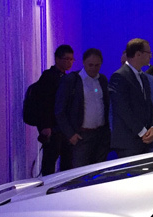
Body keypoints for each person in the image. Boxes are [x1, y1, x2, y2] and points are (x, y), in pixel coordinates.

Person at [54, 48, 110, 170]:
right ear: (83, 63)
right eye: (90, 65)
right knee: (80, 172)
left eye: (97, 65)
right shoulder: (72, 80)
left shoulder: (102, 80)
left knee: (99, 171)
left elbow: (106, 106)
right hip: (81, 136)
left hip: (100, 135)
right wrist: (71, 134)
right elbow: (60, 110)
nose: (94, 68)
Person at [109, 39, 153, 158]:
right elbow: (122, 109)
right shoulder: (119, 76)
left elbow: (149, 105)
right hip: (128, 141)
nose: (150, 56)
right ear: (138, 54)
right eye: (148, 53)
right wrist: (142, 132)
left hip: (144, 140)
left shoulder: (143, 77)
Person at [32, 44, 74, 175]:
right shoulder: (48, 77)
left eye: (71, 59)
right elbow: (43, 103)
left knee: (67, 162)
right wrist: (45, 125)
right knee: (50, 162)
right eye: (66, 59)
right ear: (57, 59)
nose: (69, 62)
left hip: (63, 128)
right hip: (52, 127)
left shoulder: (65, 78)